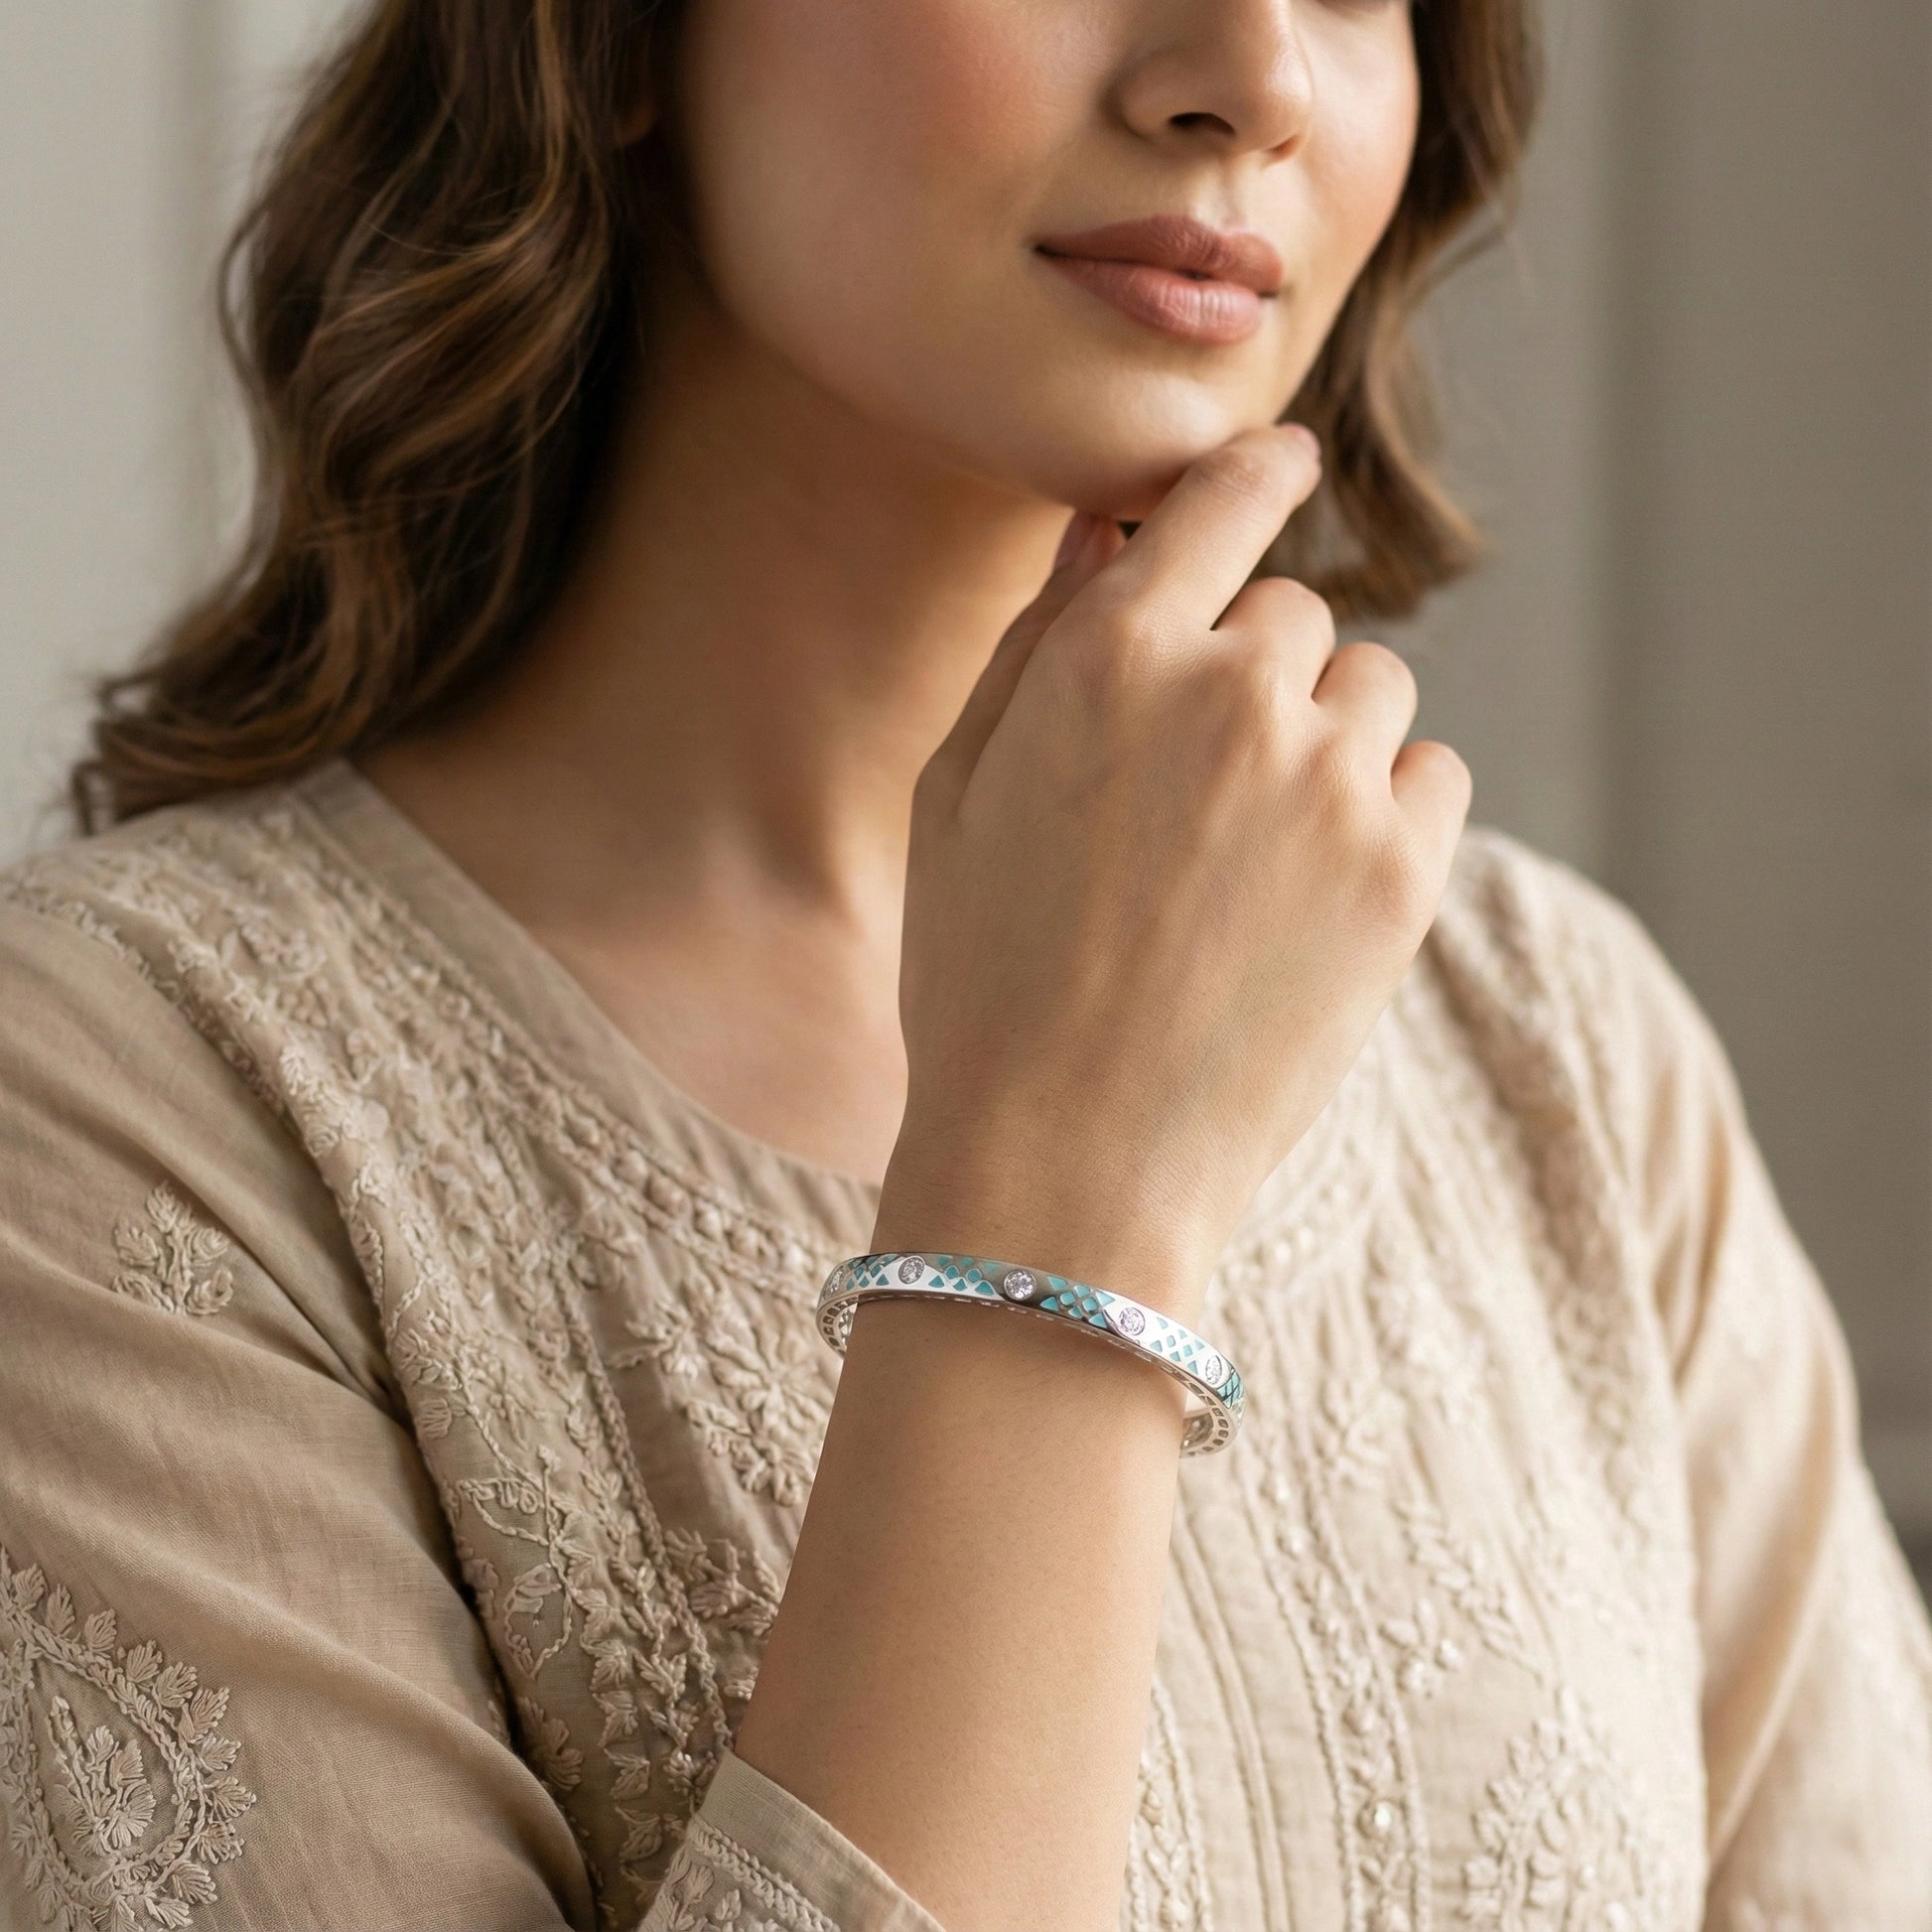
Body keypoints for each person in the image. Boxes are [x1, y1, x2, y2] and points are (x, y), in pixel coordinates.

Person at [2, 0, 1928, 1926]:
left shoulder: (1558, 1047)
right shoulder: (123, 1095)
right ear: (614, 36)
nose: (1251, 74)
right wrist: (1065, 1194)